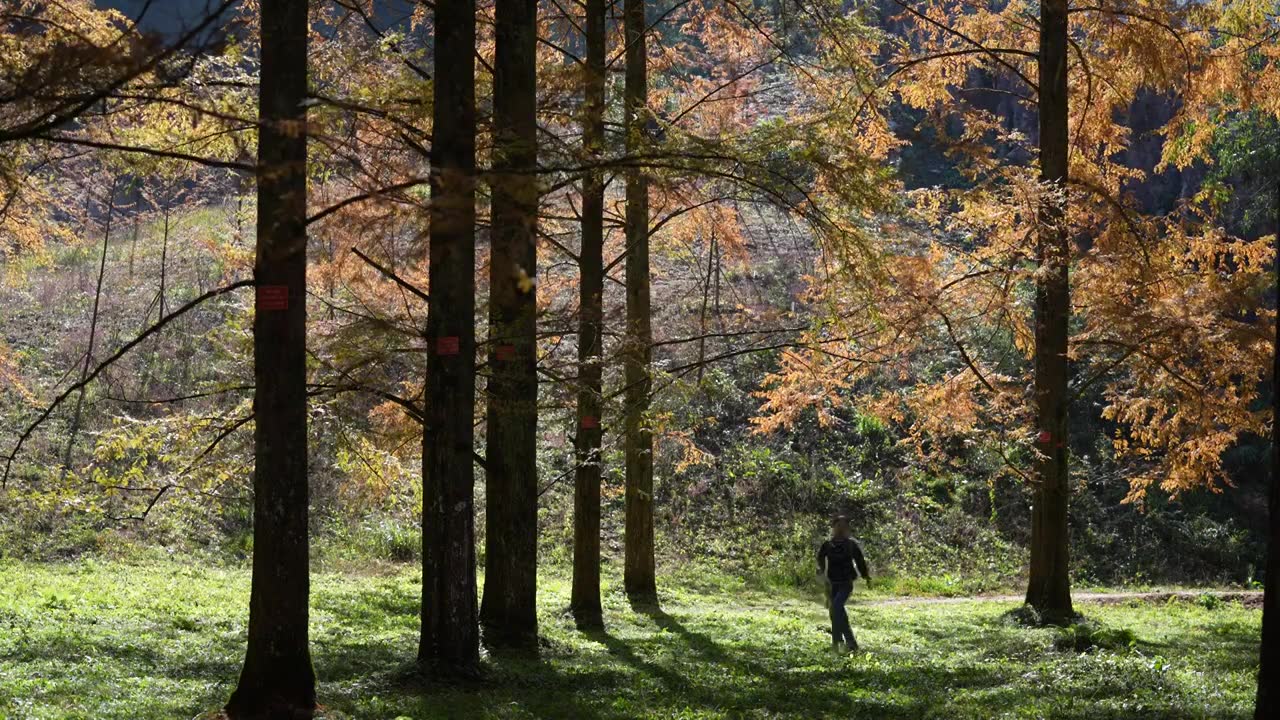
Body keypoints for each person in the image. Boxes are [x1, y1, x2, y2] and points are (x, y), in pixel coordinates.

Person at [817, 515, 870, 653]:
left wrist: (865, 575)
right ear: (833, 528)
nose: (841, 529)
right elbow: (820, 558)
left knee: (836, 607)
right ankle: (849, 644)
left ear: (847, 529)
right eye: (838, 526)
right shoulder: (828, 545)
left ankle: (838, 643)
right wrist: (821, 571)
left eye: (844, 526)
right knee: (837, 613)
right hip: (832, 583)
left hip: (846, 583)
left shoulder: (851, 545)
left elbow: (860, 561)